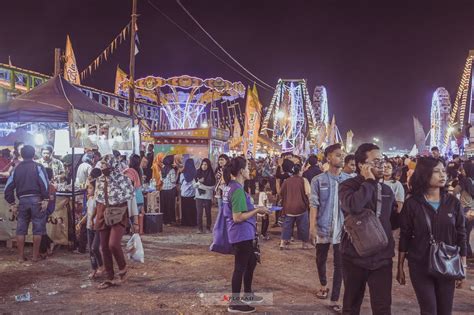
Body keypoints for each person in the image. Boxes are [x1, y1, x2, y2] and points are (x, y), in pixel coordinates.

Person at [397, 157, 467, 315]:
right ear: (424, 174)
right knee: (429, 310)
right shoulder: (412, 203)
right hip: (419, 264)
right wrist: (400, 266)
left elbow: (461, 234)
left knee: (445, 311)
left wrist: (462, 265)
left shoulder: (453, 203)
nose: (442, 175)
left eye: (443, 171)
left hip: (447, 263)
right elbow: (405, 236)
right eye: (437, 171)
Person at [338, 143, 398, 315]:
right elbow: (353, 206)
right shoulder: (348, 186)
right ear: (361, 165)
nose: (382, 165)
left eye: (382, 160)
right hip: (354, 256)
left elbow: (390, 222)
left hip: (382, 258)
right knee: (351, 306)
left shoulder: (386, 190)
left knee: (382, 308)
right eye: (376, 161)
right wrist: (369, 181)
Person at [222, 157, 270, 313]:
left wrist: (254, 208)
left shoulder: (233, 187)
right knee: (240, 267)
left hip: (245, 233)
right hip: (241, 234)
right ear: (242, 171)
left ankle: (248, 295)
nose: (250, 170)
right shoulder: (236, 190)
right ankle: (235, 303)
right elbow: (237, 217)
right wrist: (257, 210)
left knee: (250, 264)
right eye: (248, 167)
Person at [309, 143, 350, 312]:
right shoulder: (318, 180)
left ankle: (334, 299)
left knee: (340, 265)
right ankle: (323, 284)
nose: (341, 158)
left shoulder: (348, 181)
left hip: (343, 230)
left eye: (342, 155)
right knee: (321, 258)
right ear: (328, 157)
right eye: (338, 155)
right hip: (323, 227)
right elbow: (313, 204)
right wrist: (312, 227)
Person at [4, 145, 49, 262]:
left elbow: (7, 189)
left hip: (22, 201)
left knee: (21, 229)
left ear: (21, 155)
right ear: (34, 154)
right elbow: (45, 184)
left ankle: (20, 257)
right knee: (38, 228)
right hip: (37, 200)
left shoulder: (16, 169)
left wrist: (12, 203)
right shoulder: (38, 167)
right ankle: (35, 257)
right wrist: (46, 199)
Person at [94, 159, 134, 289]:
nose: (103, 166)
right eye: (102, 164)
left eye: (105, 164)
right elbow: (97, 197)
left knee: (113, 244)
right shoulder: (99, 179)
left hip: (118, 211)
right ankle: (109, 277)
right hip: (102, 210)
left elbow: (130, 195)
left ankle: (122, 268)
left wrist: (135, 220)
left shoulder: (123, 179)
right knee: (104, 247)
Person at [280, 160, 311, 250]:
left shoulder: (286, 181)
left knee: (287, 226)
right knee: (303, 226)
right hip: (301, 207)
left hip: (288, 208)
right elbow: (308, 193)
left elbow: (281, 193)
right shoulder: (303, 180)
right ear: (300, 171)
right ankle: (304, 244)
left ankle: (282, 243)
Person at [85, 182, 105, 279]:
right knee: (91, 250)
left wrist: (93, 221)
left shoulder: (98, 200)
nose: (88, 190)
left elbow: (95, 212)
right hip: (89, 226)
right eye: (88, 188)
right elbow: (88, 214)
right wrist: (81, 223)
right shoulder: (89, 200)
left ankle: (101, 266)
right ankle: (94, 269)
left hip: (96, 226)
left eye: (90, 188)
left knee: (94, 247)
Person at [194, 158, 216, 233]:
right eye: (203, 164)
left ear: (208, 165)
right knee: (199, 213)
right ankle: (199, 228)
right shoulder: (197, 172)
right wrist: (199, 183)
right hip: (198, 196)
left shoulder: (211, 174)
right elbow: (194, 185)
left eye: (206, 164)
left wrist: (202, 185)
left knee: (208, 213)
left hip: (207, 196)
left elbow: (213, 187)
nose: (204, 166)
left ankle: (208, 228)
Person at [123, 154, 143, 233]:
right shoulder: (139, 170)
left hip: (133, 199)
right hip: (139, 198)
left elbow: (129, 185)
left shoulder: (130, 171)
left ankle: (133, 238)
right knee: (135, 219)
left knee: (131, 220)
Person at [179, 158, 197, 227]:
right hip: (193, 194)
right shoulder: (195, 173)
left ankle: (185, 222)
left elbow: (180, 182)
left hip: (184, 194)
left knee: (185, 208)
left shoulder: (182, 174)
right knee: (192, 208)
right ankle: (193, 222)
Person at [161, 155, 177, 225]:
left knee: (164, 206)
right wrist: (178, 174)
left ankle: (164, 221)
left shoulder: (163, 168)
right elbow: (173, 180)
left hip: (163, 189)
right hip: (170, 190)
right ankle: (170, 221)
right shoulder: (172, 170)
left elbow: (161, 179)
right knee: (170, 206)